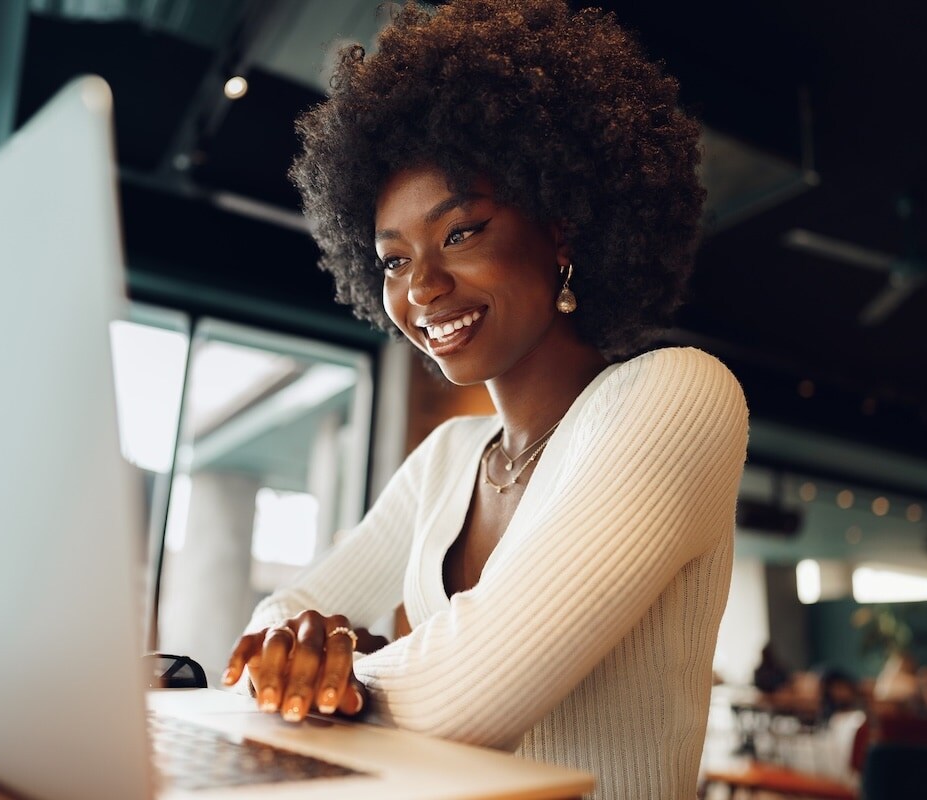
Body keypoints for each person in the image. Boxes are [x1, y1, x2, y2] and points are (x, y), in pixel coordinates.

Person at [221, 1, 749, 797]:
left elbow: (470, 692)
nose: (423, 288)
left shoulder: (679, 395)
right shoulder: (448, 460)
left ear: (563, 227)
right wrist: (299, 643)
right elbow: (272, 623)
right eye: (392, 261)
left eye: (460, 232)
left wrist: (334, 671)